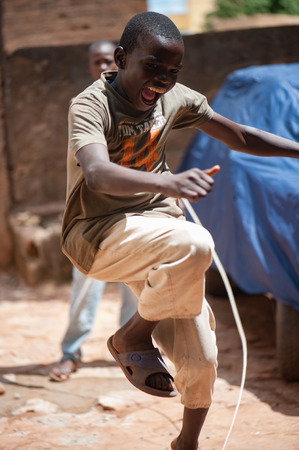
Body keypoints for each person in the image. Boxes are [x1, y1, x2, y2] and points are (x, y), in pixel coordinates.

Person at [61, 12, 299, 450]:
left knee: (203, 358)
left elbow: (241, 137)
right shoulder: (90, 104)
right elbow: (95, 173)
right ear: (120, 59)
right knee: (195, 241)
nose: (163, 80)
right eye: (152, 67)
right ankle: (132, 335)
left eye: (173, 72)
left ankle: (185, 444)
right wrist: (167, 182)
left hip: (159, 235)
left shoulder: (177, 99)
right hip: (98, 234)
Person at [49, 40, 138, 382]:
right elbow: (77, 164)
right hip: (90, 213)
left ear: (120, 61)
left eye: (108, 60)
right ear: (89, 66)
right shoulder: (83, 105)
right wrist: (70, 207)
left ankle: (131, 348)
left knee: (134, 282)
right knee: (85, 283)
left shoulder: (138, 103)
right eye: (96, 62)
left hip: (131, 207)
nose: (103, 67)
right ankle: (71, 353)